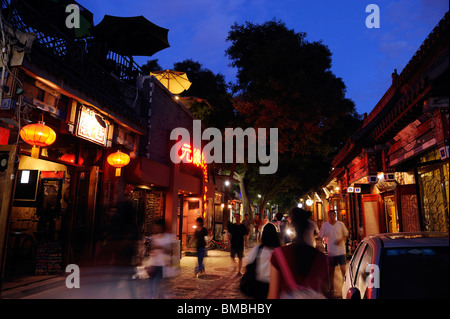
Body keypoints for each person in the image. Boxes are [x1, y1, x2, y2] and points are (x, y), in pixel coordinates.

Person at [268, 207, 329, 299]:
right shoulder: (320, 257)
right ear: (307, 225)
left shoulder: (279, 255)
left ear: (292, 225)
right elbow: (324, 290)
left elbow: (273, 296)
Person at [244, 222, 280, 299]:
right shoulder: (280, 251)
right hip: (275, 285)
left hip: (259, 286)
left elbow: (248, 263)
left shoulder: (257, 249)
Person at [318, 210, 349, 296]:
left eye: (333, 215)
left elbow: (345, 234)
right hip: (331, 252)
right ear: (328, 216)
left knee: (343, 270)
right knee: (331, 271)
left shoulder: (340, 224)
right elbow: (320, 236)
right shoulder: (325, 225)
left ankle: (346, 287)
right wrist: (320, 246)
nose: (331, 217)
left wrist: (341, 240)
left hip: (341, 251)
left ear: (335, 215)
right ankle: (331, 288)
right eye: (330, 215)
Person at [146, 219, 174, 298]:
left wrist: (161, 247)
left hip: (163, 265)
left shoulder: (168, 237)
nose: (155, 228)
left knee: (158, 284)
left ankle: (157, 296)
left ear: (161, 226)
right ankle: (151, 296)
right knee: (150, 283)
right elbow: (151, 251)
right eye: (154, 227)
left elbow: (170, 250)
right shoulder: (154, 237)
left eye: (156, 226)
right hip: (154, 263)